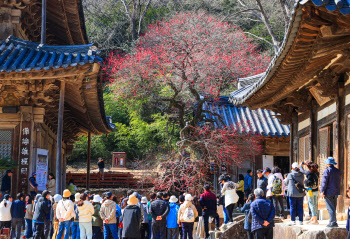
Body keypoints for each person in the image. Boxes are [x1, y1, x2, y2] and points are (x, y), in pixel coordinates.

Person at [321, 157, 341, 228]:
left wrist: (322, 191)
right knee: (333, 207)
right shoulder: (337, 171)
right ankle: (334, 222)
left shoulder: (327, 171)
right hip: (335, 191)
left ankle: (332, 222)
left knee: (330, 207)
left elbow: (324, 182)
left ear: (328, 163)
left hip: (328, 192)